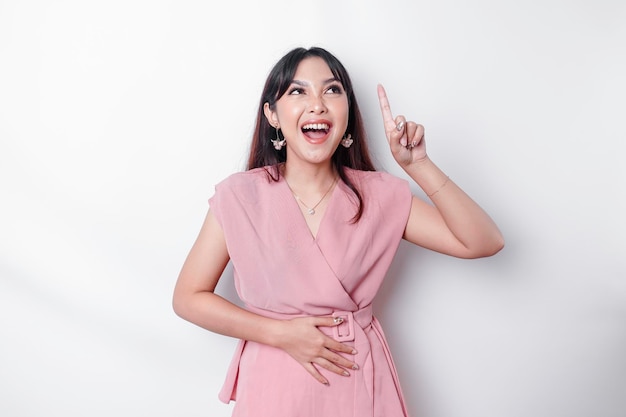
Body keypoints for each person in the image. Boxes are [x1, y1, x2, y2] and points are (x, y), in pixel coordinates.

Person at [172, 46, 504, 417]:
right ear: (272, 114)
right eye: (298, 92)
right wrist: (280, 334)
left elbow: (484, 241)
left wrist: (418, 164)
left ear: (347, 113)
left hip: (356, 380)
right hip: (273, 383)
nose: (317, 104)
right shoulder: (239, 196)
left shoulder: (378, 195)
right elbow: (188, 297)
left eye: (331, 90)